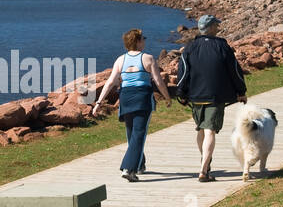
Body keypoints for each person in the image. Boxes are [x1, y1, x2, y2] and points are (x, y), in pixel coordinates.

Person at [91, 28, 171, 181]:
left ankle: (139, 165)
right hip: (142, 98)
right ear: (138, 41)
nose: (145, 41)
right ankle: (129, 168)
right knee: (139, 134)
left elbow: (110, 83)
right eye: (143, 39)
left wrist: (98, 103)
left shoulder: (120, 60)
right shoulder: (148, 58)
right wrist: (167, 97)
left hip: (126, 97)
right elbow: (158, 81)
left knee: (131, 133)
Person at [175, 15, 247, 182]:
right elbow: (234, 71)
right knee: (209, 131)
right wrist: (241, 91)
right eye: (216, 25)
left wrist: (181, 92)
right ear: (211, 27)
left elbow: (183, 71)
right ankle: (204, 169)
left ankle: (205, 163)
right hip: (216, 95)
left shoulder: (190, 47)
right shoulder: (222, 46)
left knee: (201, 129)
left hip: (195, 96)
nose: (218, 27)